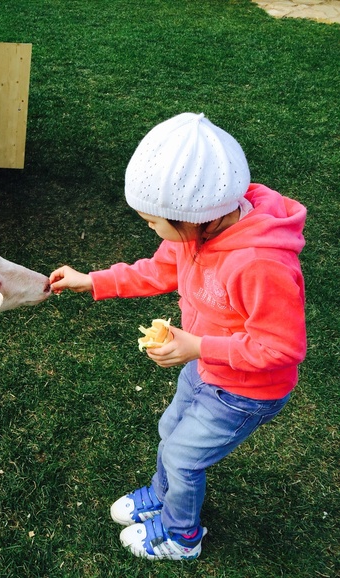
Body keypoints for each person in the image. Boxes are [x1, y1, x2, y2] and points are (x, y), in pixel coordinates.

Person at [49, 113, 307, 561]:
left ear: (193, 216)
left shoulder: (259, 264)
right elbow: (158, 270)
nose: (149, 228)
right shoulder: (195, 233)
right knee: (169, 431)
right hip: (205, 369)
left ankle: (181, 536)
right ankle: (162, 494)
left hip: (246, 392)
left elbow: (281, 347)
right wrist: (92, 281)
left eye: (152, 222)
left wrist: (198, 346)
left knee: (184, 458)